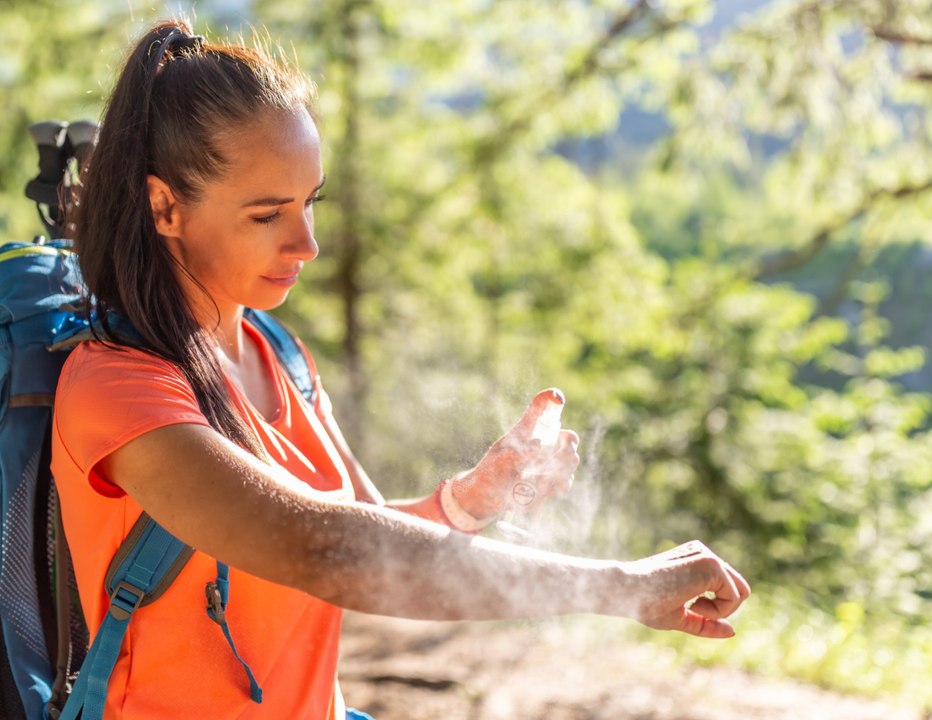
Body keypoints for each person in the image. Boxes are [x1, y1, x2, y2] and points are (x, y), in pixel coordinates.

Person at [51, 18, 750, 720]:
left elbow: (369, 533)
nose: (308, 243)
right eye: (268, 215)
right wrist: (620, 586)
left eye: (310, 203)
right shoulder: (118, 388)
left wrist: (469, 500)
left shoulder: (277, 353)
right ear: (164, 206)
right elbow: (325, 550)